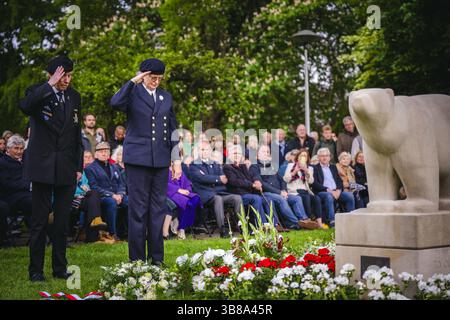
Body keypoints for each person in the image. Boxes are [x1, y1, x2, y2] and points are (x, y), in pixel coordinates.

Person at [19, 55, 83, 282]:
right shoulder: (37, 92)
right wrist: (50, 85)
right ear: (52, 74)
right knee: (39, 222)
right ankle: (35, 270)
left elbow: (77, 135)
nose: (66, 79)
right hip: (43, 167)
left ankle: (59, 267)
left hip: (66, 167)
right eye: (63, 75)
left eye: (69, 75)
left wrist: (78, 166)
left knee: (62, 222)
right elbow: (25, 107)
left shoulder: (74, 97)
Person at [110, 58, 178, 265]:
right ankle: (137, 260)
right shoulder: (133, 93)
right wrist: (134, 81)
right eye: (152, 77)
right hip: (137, 161)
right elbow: (115, 103)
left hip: (160, 161)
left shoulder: (165, 97)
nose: (156, 81)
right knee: (138, 210)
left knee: (157, 210)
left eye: (159, 78)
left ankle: (156, 259)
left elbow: (173, 130)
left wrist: (176, 160)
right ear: (144, 75)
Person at [249, 145, 318, 230]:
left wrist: (284, 190)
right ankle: (297, 222)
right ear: (257, 155)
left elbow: (282, 180)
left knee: (296, 199)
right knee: (280, 199)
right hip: (265, 194)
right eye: (263, 152)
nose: (266, 154)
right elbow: (261, 183)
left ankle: (304, 219)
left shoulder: (271, 166)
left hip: (280, 192)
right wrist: (279, 192)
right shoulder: (254, 166)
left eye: (268, 152)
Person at [223, 145, 285, 230]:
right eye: (234, 153)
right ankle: (262, 225)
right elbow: (235, 181)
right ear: (229, 155)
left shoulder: (242, 166)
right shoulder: (227, 167)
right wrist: (252, 185)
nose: (237, 155)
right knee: (256, 198)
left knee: (267, 198)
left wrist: (256, 182)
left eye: (239, 153)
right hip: (237, 194)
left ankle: (275, 224)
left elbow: (249, 178)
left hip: (248, 193)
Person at [190, 140, 242, 237]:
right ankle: (222, 229)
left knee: (237, 198)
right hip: (205, 195)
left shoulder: (215, 164)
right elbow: (202, 178)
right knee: (218, 199)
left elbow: (224, 178)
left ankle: (240, 225)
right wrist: (217, 179)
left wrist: (210, 179)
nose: (204, 152)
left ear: (210, 151)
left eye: (207, 149)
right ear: (198, 151)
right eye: (202, 149)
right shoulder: (194, 165)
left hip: (218, 192)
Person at [85, 142, 128, 241]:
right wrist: (112, 195)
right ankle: (112, 233)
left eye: (107, 151)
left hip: (117, 195)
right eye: (102, 152)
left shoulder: (114, 167)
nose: (105, 154)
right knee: (111, 202)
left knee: (130, 201)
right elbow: (94, 187)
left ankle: (127, 233)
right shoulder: (90, 168)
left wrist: (120, 194)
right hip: (101, 197)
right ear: (96, 154)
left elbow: (121, 184)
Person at [283, 149, 326, 229]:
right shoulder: (291, 166)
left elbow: (311, 182)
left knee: (316, 198)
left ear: (307, 159)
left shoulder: (310, 168)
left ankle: (319, 222)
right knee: (306, 197)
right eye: (301, 155)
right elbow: (286, 179)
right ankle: (308, 221)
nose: (303, 157)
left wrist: (306, 171)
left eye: (305, 156)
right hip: (294, 191)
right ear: (298, 157)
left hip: (305, 191)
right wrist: (294, 171)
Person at [312, 148, 355, 227]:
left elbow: (339, 180)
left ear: (329, 157)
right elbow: (314, 183)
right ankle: (332, 220)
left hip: (336, 191)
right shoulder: (315, 168)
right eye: (322, 156)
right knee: (329, 196)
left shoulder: (333, 167)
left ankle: (350, 218)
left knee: (349, 196)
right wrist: (328, 190)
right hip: (323, 192)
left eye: (326, 155)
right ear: (318, 157)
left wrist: (338, 190)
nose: (324, 158)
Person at [165, 160, 201, 240]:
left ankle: (178, 221)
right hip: (172, 193)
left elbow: (187, 183)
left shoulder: (180, 170)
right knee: (187, 203)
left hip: (182, 193)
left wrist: (187, 190)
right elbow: (165, 185)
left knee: (196, 198)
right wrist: (179, 190)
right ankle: (182, 229)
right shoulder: (165, 171)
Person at [0, 136, 32, 221]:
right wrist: (29, 185)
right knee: (33, 201)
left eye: (21, 148)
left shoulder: (25, 160)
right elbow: (7, 184)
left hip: (26, 193)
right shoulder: (2, 162)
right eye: (16, 148)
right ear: (8, 148)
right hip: (11, 196)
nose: (19, 151)